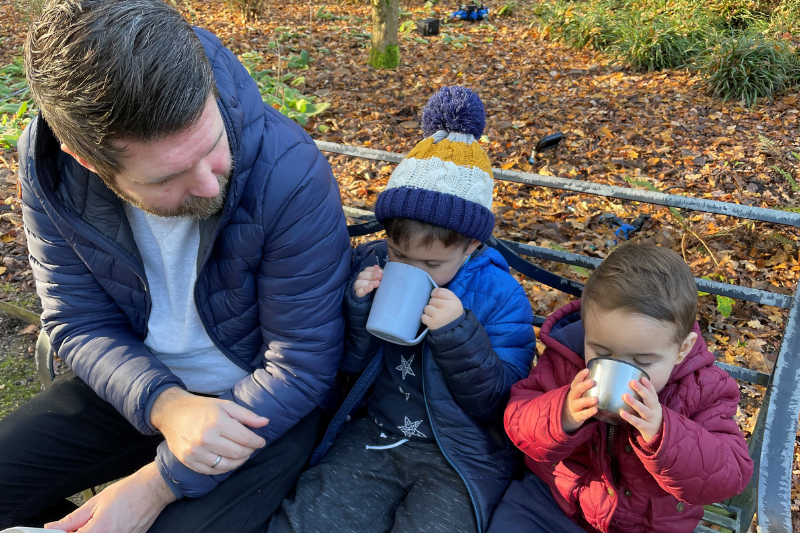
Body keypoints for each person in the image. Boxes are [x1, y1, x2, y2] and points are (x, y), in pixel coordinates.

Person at [0, 1, 351, 532]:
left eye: (212, 148)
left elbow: (302, 364)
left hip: (262, 408)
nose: (211, 185)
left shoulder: (290, 171)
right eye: (167, 179)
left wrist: (158, 483)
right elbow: (79, 322)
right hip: (136, 385)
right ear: (86, 159)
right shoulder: (48, 167)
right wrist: (167, 405)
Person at [267, 86, 536, 533]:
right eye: (399, 254)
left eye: (431, 264)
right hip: (376, 432)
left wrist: (458, 335)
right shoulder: (372, 262)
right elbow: (346, 365)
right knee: (309, 518)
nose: (409, 270)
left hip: (459, 454)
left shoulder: (500, 295)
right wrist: (358, 309)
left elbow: (499, 404)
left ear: (472, 246)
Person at [492, 244, 754, 533]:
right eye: (601, 351)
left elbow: (730, 476)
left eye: (643, 362)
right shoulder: (566, 361)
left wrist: (664, 434)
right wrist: (562, 413)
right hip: (554, 503)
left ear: (682, 350)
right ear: (586, 330)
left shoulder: (703, 390)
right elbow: (517, 419)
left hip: (647, 524)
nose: (620, 369)